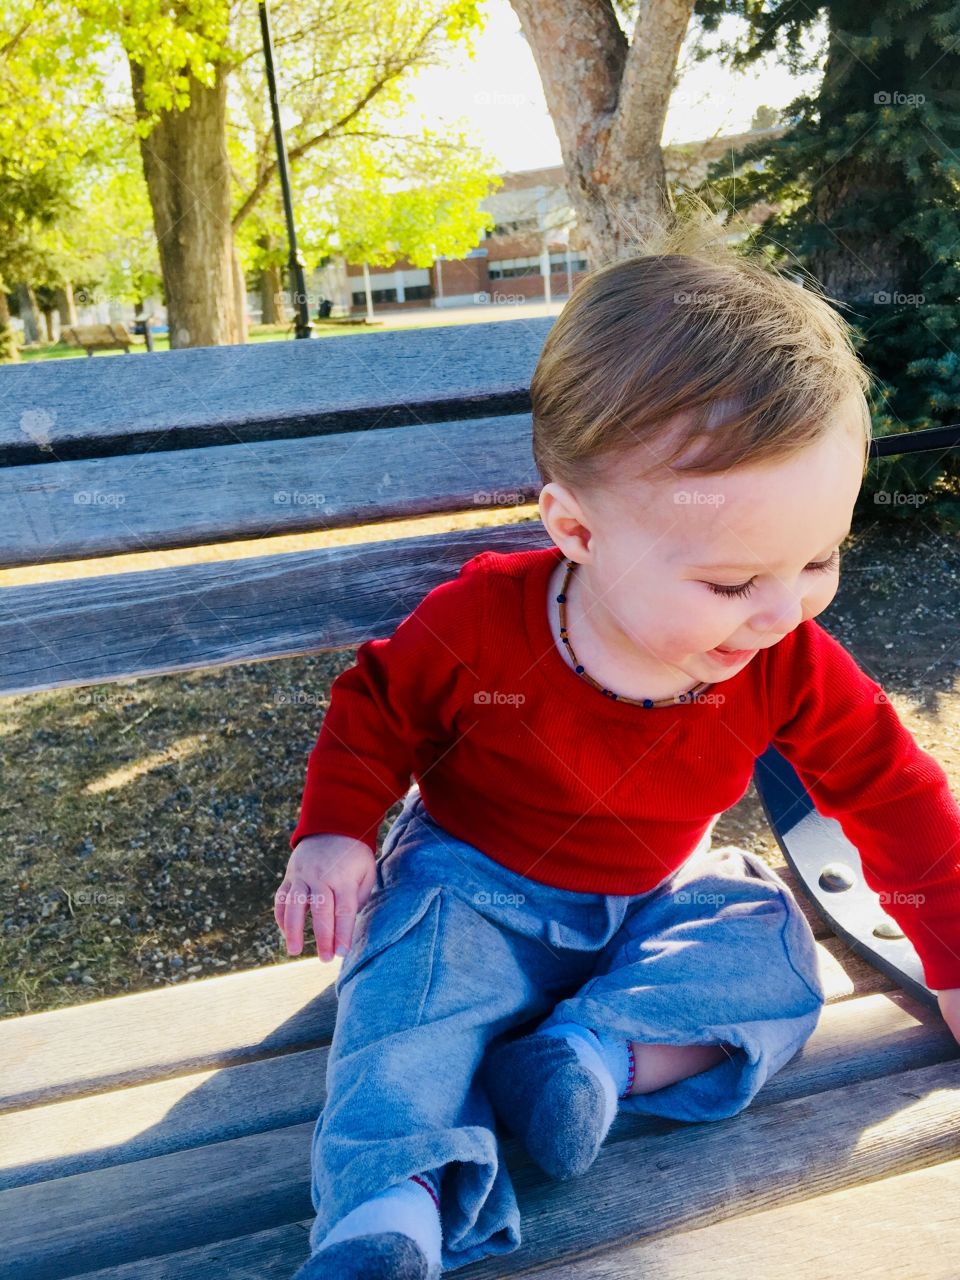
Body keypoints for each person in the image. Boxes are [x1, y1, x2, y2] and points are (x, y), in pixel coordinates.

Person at [275, 206, 960, 1280]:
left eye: (819, 559)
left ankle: (591, 1056)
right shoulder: (482, 627)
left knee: (778, 952)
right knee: (404, 1007)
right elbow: (377, 708)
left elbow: (895, 792)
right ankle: (388, 1208)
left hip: (650, 899)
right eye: (735, 581)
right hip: (475, 888)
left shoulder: (783, 656)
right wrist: (335, 835)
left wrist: (954, 963)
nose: (784, 610)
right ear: (578, 532)